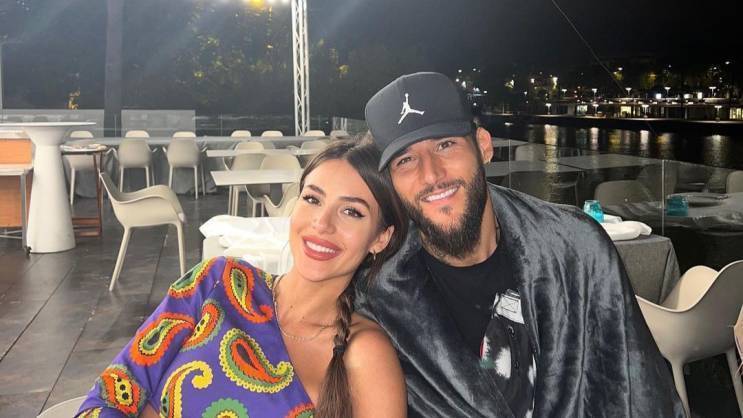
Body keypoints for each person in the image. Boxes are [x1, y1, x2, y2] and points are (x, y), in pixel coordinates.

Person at [355, 72, 685, 417]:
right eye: (405, 160)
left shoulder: (577, 248)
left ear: (483, 146)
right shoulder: (379, 296)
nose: (431, 174)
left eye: (445, 145)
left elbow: (641, 395)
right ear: (391, 181)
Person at [76, 141, 409, 418]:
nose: (322, 223)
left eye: (351, 211)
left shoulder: (365, 353)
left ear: (381, 238)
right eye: (312, 199)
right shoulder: (218, 282)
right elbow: (111, 395)